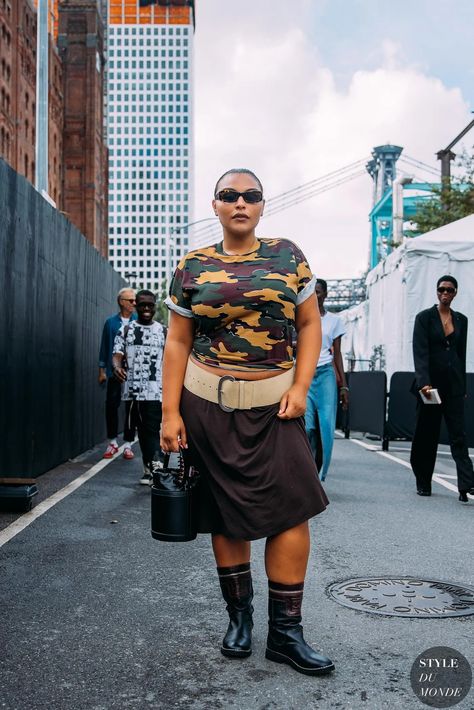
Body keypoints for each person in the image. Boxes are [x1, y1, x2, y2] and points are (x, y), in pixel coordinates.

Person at [160, 168, 334, 676]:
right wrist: (170, 412)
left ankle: (286, 632)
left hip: (276, 405)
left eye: (251, 195)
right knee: (222, 512)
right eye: (229, 195)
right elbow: (177, 340)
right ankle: (239, 620)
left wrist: (302, 389)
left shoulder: (287, 255)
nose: (241, 202)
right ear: (215, 205)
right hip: (206, 403)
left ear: (262, 205)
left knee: (293, 509)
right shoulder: (193, 264)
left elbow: (309, 324)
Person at [410, 275, 474, 502]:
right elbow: (420, 351)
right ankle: (423, 481)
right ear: (436, 292)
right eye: (441, 289)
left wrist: (463, 385)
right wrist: (423, 382)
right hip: (430, 387)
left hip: (454, 385)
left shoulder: (462, 320)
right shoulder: (424, 318)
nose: (445, 293)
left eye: (449, 290)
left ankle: (466, 484)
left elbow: (461, 354)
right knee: (427, 434)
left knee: (459, 435)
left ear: (455, 293)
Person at [112, 290, 166, 485]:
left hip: (156, 391)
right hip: (133, 391)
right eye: (142, 304)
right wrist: (116, 366)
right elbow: (117, 353)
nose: (146, 309)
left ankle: (157, 466)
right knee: (141, 432)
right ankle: (148, 467)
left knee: (153, 429)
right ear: (136, 305)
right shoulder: (126, 330)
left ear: (154, 306)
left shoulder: (163, 331)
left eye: (150, 305)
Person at [305, 279, 349, 481]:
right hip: (305, 373)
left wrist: (344, 386)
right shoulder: (302, 317)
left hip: (325, 374)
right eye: (312, 291)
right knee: (307, 427)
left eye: (319, 291)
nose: (316, 295)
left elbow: (338, 354)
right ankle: (306, 469)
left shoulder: (334, 321)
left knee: (326, 426)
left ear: (326, 294)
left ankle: (319, 473)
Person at [98, 287, 137, 459]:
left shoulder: (138, 321)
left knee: (131, 408)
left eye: (135, 300)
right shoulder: (110, 323)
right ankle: (112, 442)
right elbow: (104, 348)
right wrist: (102, 370)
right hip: (115, 371)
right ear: (121, 302)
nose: (134, 304)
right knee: (111, 405)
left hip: (134, 373)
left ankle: (128, 444)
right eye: (131, 300)